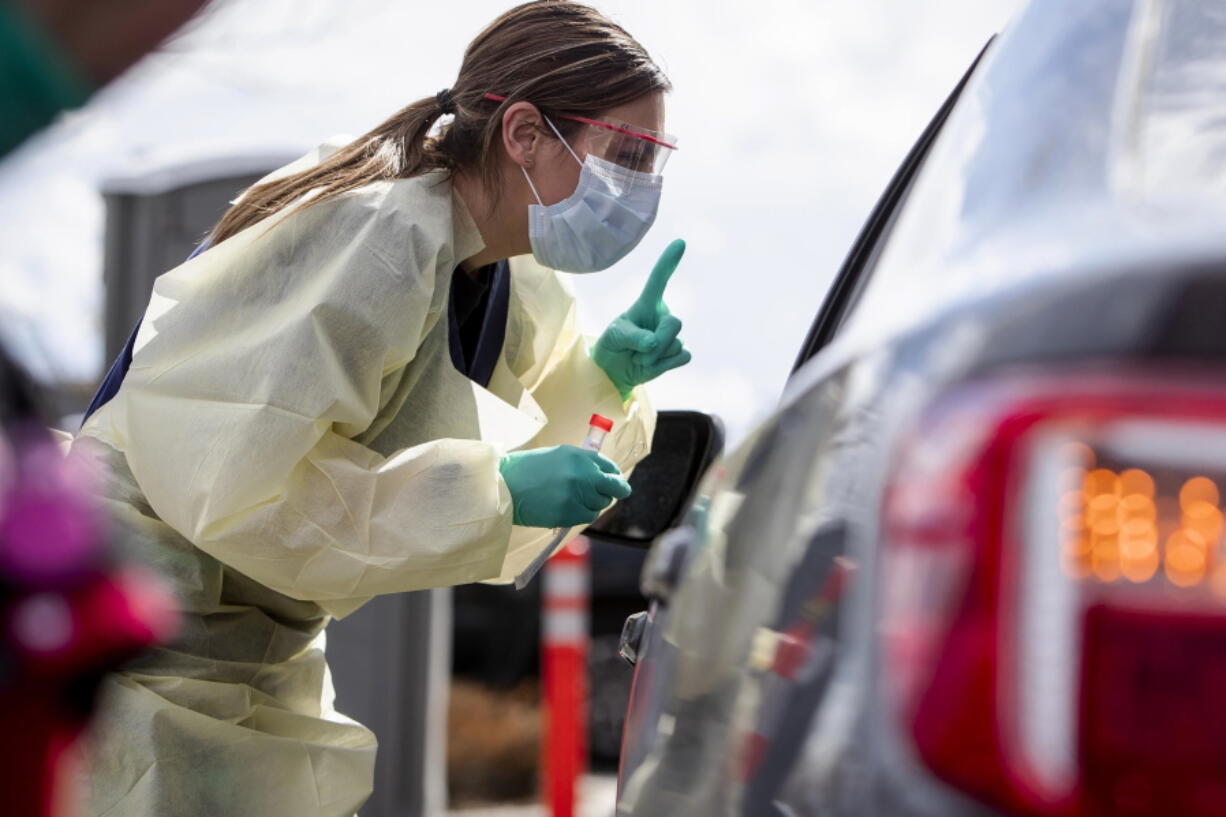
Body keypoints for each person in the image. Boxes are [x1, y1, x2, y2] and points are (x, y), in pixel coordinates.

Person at [73, 2, 690, 815]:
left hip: (244, 653)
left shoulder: (514, 277)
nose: (638, 191)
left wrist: (604, 379)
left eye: (655, 161)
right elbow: (238, 485)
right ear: (525, 133)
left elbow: (536, 449)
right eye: (626, 155)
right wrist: (495, 490)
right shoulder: (378, 238)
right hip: (132, 640)